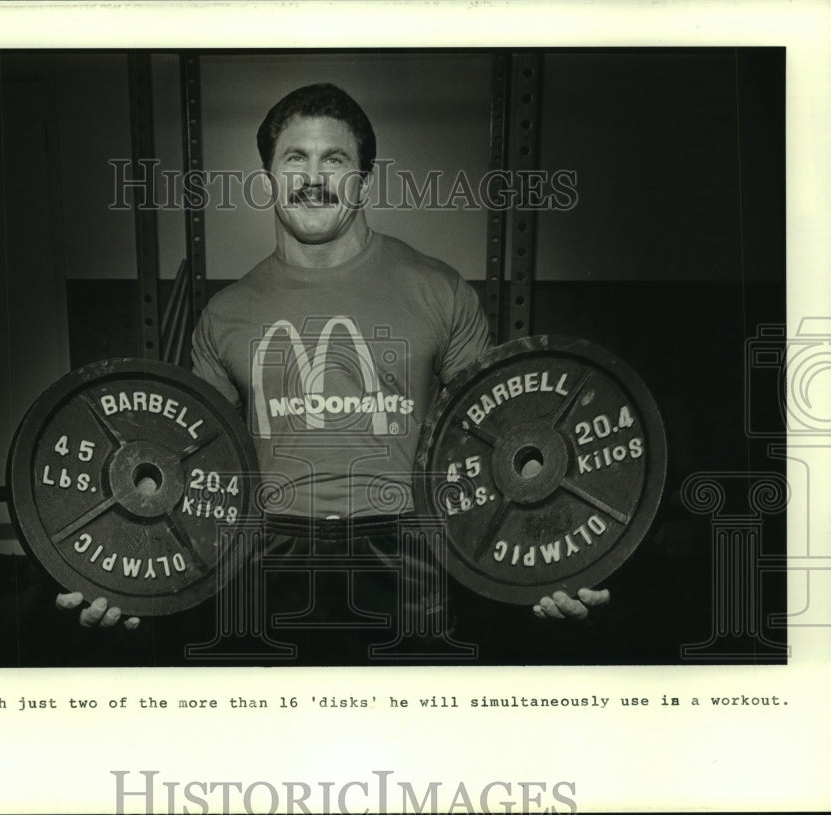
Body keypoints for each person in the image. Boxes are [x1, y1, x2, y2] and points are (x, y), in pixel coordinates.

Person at [58, 83, 609, 635]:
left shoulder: (439, 291)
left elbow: (499, 445)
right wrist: (123, 576)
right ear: (269, 177)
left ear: (364, 179)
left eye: (335, 159)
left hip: (407, 551)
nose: (314, 178)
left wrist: (551, 562)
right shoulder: (225, 314)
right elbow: (194, 472)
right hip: (265, 552)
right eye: (295, 158)